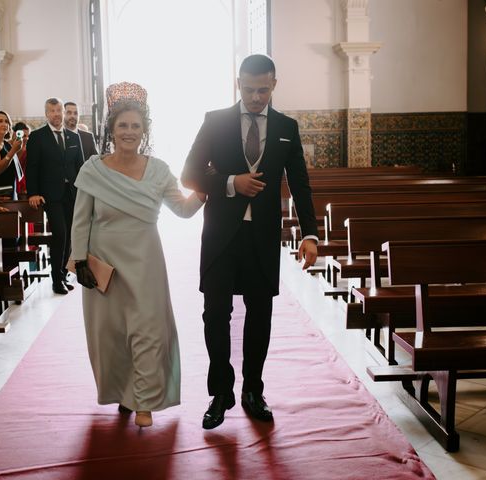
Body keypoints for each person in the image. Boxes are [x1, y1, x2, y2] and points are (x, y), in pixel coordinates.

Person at [181, 54, 319, 429]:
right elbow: (189, 174)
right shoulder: (215, 121)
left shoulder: (287, 127)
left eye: (263, 89)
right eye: (248, 89)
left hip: (262, 238)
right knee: (216, 315)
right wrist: (230, 182)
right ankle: (220, 393)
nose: (256, 97)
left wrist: (310, 233)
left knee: (260, 316)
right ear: (237, 84)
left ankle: (253, 390)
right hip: (221, 236)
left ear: (274, 84)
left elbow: (301, 185)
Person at [71, 82, 204, 428]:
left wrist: (206, 189)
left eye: (135, 126)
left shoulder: (159, 170)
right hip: (104, 263)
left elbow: (183, 210)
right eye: (122, 125)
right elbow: (80, 219)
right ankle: (123, 393)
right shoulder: (93, 170)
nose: (129, 131)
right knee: (111, 336)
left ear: (144, 131)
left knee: (149, 329)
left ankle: (144, 401)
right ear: (112, 130)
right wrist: (79, 260)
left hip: (146, 262)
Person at [26, 98, 87, 295]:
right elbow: (32, 167)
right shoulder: (38, 137)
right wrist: (33, 192)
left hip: (72, 194)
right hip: (50, 195)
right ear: (46, 114)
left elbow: (81, 167)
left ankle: (63, 273)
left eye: (59, 110)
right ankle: (56, 280)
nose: (56, 114)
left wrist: (85, 192)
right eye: (52, 111)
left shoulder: (73, 137)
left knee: (70, 235)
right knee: (60, 233)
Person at [0, 110, 24, 200]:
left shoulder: (7, 144)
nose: (5, 124)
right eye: (0, 121)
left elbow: (13, 166)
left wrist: (18, 148)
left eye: (7, 122)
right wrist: (13, 150)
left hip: (10, 189)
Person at [13, 121, 31, 195]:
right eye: (24, 136)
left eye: (28, 135)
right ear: (15, 134)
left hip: (24, 187)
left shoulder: (28, 151)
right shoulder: (8, 147)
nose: (26, 138)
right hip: (11, 185)